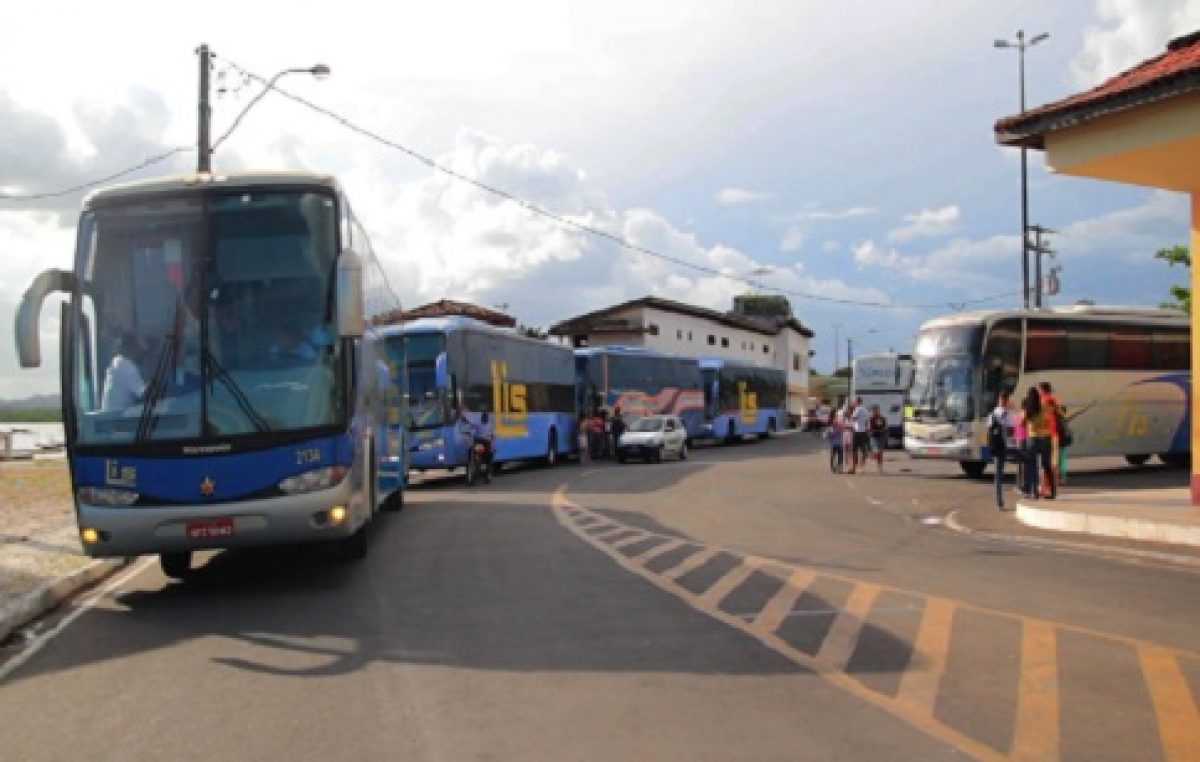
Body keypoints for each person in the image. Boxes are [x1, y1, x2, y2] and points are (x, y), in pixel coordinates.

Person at [1022, 386, 1056, 500]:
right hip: (1045, 438)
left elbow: (1022, 423)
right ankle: (1052, 491)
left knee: (1032, 466)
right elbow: (1049, 418)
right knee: (1046, 465)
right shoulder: (1044, 407)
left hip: (1032, 439)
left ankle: (1034, 492)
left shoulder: (1028, 409)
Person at [101, 333, 148, 411]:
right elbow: (144, 394)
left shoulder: (117, 362)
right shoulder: (127, 366)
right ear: (131, 349)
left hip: (110, 417)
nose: (141, 355)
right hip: (119, 418)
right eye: (139, 349)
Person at [987, 390, 1012, 509]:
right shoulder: (996, 414)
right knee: (998, 474)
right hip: (999, 446)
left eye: (1004, 400)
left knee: (999, 474)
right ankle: (999, 501)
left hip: (1001, 446)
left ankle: (999, 500)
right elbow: (991, 432)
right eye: (1002, 400)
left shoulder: (997, 414)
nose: (1003, 402)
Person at [1039, 381, 1067, 488]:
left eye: (1039, 389)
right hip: (1054, 433)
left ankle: (1044, 485)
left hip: (1044, 434)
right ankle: (1054, 485)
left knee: (1045, 461)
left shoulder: (1042, 401)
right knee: (1054, 461)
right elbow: (1061, 414)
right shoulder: (1054, 400)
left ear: (1042, 390)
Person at [848, 397, 870, 474]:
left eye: (854, 402)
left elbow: (853, 418)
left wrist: (850, 416)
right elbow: (867, 421)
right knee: (863, 450)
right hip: (864, 431)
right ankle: (862, 467)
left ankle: (854, 468)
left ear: (857, 402)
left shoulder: (858, 409)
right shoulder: (866, 409)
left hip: (857, 432)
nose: (853, 403)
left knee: (854, 450)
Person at [867, 404, 887, 473]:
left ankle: (880, 467)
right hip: (874, 437)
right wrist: (877, 430)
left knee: (880, 452)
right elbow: (870, 428)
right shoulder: (871, 418)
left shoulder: (882, 418)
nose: (875, 412)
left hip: (881, 437)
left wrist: (883, 430)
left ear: (878, 410)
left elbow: (885, 427)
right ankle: (872, 457)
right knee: (876, 451)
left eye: (876, 410)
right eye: (874, 410)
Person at [826, 406, 844, 473]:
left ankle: (834, 468)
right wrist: (839, 429)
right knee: (839, 454)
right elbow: (840, 429)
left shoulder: (830, 421)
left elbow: (829, 432)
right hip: (837, 440)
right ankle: (838, 468)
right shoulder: (835, 421)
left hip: (834, 440)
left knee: (834, 454)